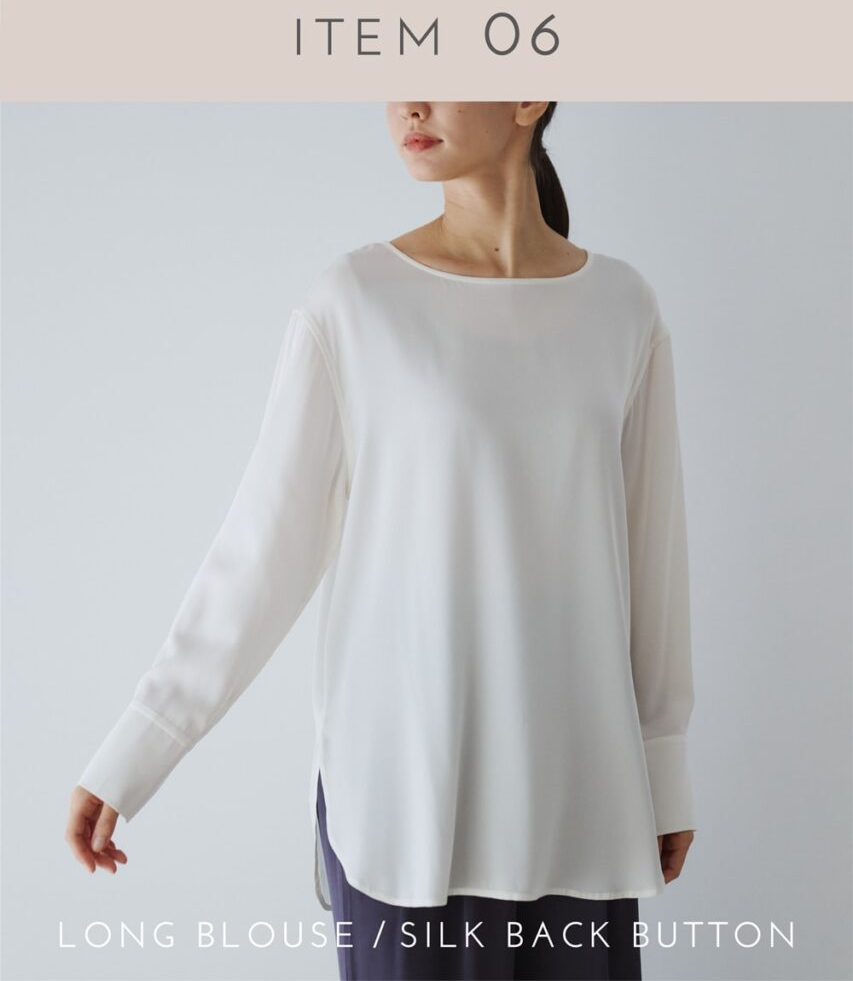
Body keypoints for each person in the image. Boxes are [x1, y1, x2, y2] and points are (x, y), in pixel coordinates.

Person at [66, 101, 697, 980]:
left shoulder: (621, 309)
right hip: (407, 801)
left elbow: (652, 558)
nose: (408, 103)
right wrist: (141, 746)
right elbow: (263, 549)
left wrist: (663, 767)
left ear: (528, 96)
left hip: (581, 799)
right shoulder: (356, 301)